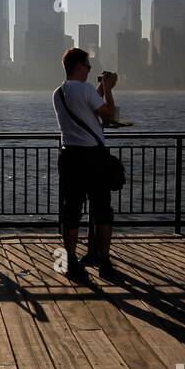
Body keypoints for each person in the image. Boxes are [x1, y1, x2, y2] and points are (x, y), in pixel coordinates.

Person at [53, 47, 119, 281]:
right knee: (102, 211)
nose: (90, 71)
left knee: (71, 212)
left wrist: (99, 89)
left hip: (69, 157)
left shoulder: (58, 93)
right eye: (88, 66)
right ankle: (104, 262)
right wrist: (109, 90)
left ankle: (71, 261)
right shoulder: (86, 90)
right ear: (79, 66)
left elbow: (85, 104)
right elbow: (109, 114)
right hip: (93, 157)